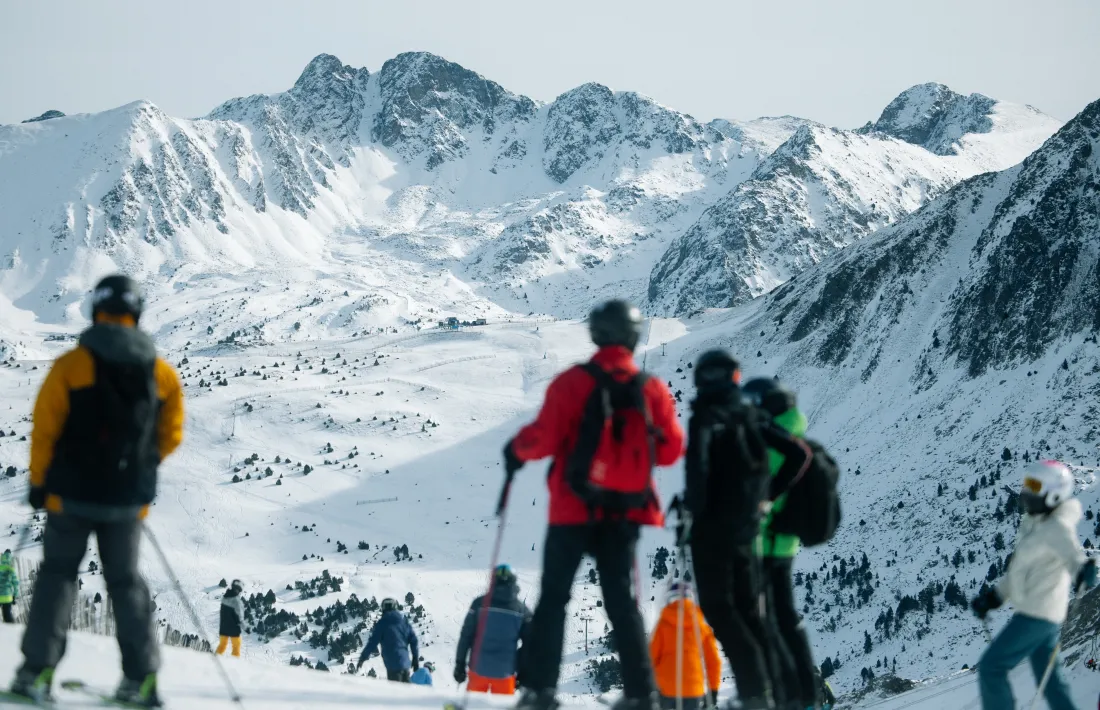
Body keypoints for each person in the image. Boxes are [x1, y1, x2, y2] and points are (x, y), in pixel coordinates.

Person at [9, 275, 183, 708]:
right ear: (136, 312)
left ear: (96, 309)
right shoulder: (159, 372)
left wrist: (38, 482)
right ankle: (141, 680)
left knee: (57, 577)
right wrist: (138, 471)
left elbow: (45, 429)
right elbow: (171, 434)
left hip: (68, 495)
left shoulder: (72, 365)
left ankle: (37, 672)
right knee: (126, 583)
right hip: (126, 503)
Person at [505, 300, 685, 710]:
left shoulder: (572, 383)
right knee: (622, 603)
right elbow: (672, 449)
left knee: (554, 598)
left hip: (571, 510)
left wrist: (516, 450)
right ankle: (641, 694)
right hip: (622, 513)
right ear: (633, 336)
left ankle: (541, 692)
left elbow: (544, 438)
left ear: (596, 334)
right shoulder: (650, 389)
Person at [683, 351, 811, 710]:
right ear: (735, 378)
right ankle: (775, 695)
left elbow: (698, 475)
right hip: (746, 530)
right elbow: (798, 455)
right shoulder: (751, 414)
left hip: (711, 532)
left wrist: (689, 513)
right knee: (750, 613)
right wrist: (766, 498)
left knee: (720, 610)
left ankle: (756, 695)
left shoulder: (704, 418)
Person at [972, 460, 1098, 710]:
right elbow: (1021, 571)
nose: (1026, 491)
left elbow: (1076, 562)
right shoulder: (1035, 524)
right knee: (1051, 683)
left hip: (1037, 615)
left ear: (1054, 493)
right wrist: (995, 597)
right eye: (1026, 484)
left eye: (1034, 486)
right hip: (1039, 613)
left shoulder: (1057, 529)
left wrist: (1086, 572)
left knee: (991, 667)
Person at [743, 377, 819, 710]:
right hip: (781, 541)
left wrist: (763, 501)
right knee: (782, 619)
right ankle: (805, 695)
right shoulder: (791, 428)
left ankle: (797, 696)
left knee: (772, 622)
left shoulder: (776, 438)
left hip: (768, 541)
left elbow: (761, 482)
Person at [454, 564, 531, 696]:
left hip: (477, 669)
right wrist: (522, 672)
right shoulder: (521, 610)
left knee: (474, 706)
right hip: (505, 673)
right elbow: (531, 644)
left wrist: (460, 665)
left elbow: (466, 636)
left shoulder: (479, 604)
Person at [648, 581, 721, 710]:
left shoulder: (663, 625)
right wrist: (713, 691)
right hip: (693, 690)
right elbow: (714, 662)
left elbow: (651, 658)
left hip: (665, 689)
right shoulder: (701, 626)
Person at [358, 597, 420, 682]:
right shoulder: (403, 623)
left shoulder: (382, 624)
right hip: (405, 662)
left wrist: (362, 658)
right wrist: (415, 658)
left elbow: (372, 643)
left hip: (392, 664)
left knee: (397, 691)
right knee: (407, 691)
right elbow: (414, 641)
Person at [216, 579, 244, 657]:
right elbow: (239, 616)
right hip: (233, 628)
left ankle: (215, 659)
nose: (238, 592)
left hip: (223, 627)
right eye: (238, 590)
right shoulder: (236, 601)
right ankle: (234, 663)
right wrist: (245, 626)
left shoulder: (225, 597)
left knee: (222, 645)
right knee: (236, 646)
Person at [0, 550, 19, 624]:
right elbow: (16, 584)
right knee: (7, 618)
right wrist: (15, 595)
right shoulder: (11, 569)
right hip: (7, 597)